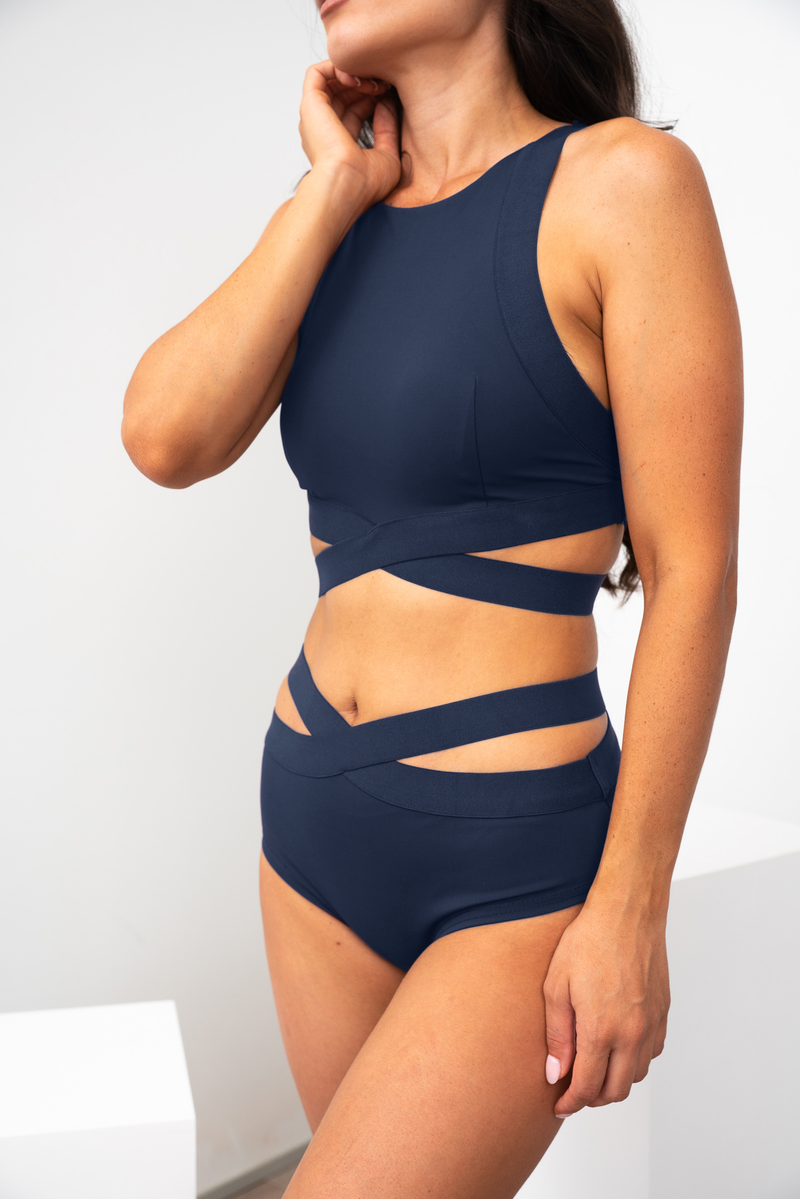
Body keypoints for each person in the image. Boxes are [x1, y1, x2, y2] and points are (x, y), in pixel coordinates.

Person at [122, 0, 742, 1193]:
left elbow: (693, 572)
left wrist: (629, 907)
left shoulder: (622, 183)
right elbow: (164, 435)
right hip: (312, 827)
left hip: (512, 857)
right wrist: (329, 192)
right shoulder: (340, 214)